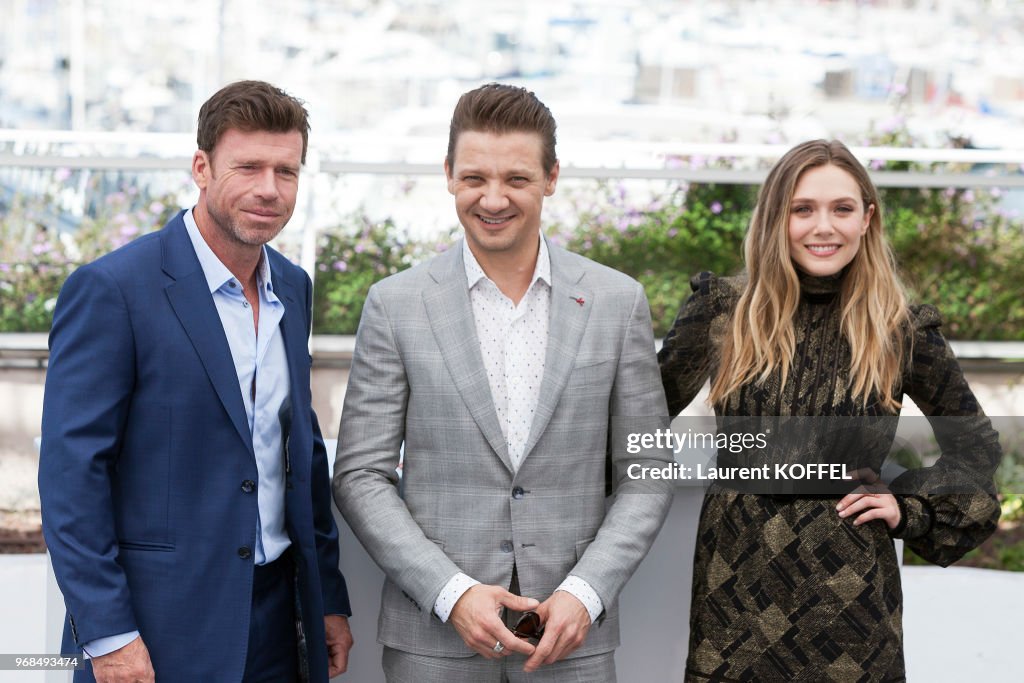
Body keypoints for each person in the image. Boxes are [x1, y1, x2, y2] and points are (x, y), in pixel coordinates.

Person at [332, 83, 674, 682]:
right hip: (432, 642)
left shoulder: (618, 301)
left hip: (571, 639)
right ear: (448, 175)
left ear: (551, 177)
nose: (493, 199)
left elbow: (647, 472)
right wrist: (451, 592)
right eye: (474, 179)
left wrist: (587, 592)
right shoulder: (395, 304)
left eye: (516, 179)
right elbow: (361, 473)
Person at [39, 80, 353, 683]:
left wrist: (328, 597)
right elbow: (72, 478)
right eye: (249, 167)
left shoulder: (292, 286)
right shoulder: (112, 291)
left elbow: (299, 452)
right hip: (155, 630)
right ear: (202, 167)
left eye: (286, 171)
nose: (269, 188)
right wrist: (108, 636)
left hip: (277, 620)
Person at [658, 139, 1001, 681]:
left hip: (851, 607)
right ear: (776, 217)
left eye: (841, 209)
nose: (824, 226)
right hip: (736, 599)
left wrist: (907, 506)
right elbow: (637, 419)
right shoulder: (722, 312)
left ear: (867, 219)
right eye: (803, 209)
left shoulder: (900, 329)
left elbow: (977, 447)